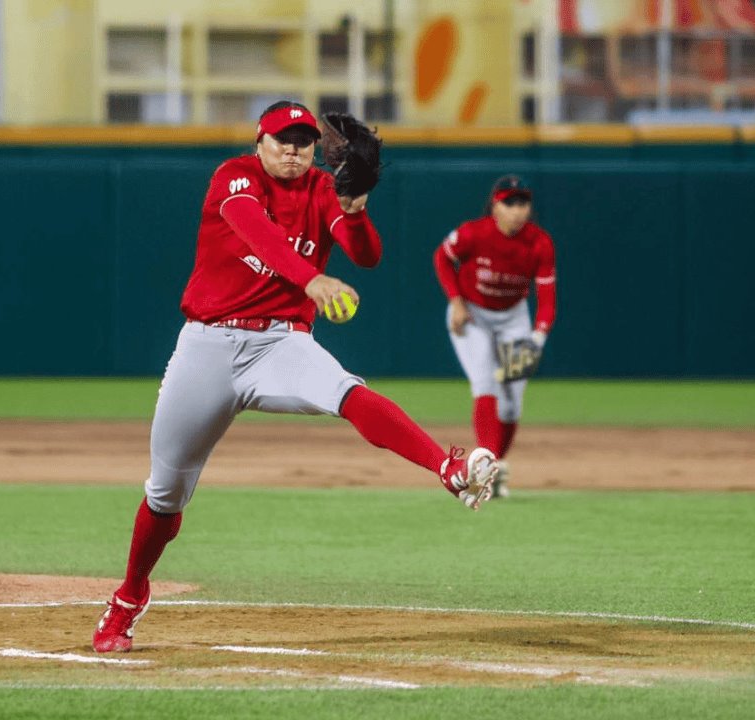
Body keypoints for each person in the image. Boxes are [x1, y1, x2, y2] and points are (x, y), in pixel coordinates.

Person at [92, 101, 498, 654]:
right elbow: (256, 232)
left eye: (305, 141)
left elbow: (367, 255)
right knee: (165, 495)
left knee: (347, 391)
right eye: (283, 139)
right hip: (208, 345)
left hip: (281, 342)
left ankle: (446, 466)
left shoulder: (323, 191)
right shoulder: (234, 175)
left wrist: (354, 210)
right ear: (260, 140)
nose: (294, 149)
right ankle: (129, 596)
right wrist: (311, 279)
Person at [433, 174, 557, 500]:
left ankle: (496, 467)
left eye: (523, 203)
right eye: (509, 202)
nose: (517, 210)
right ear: (495, 206)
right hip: (472, 315)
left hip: (514, 319)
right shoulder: (475, 233)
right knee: (485, 383)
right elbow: (442, 258)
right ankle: (484, 468)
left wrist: (539, 336)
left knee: (513, 403)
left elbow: (547, 299)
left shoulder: (539, 243)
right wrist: (456, 302)